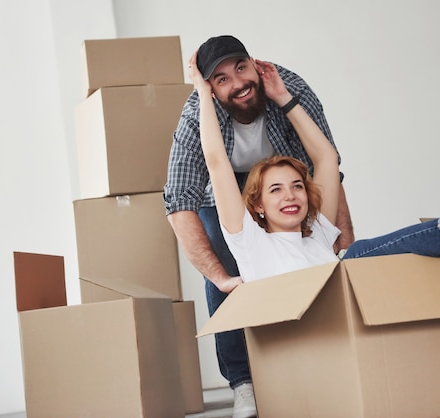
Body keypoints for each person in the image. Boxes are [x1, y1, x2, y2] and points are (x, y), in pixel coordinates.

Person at [189, 50, 440, 286]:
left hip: (348, 309)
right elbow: (217, 162)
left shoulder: (317, 234)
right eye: (276, 190)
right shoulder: (248, 242)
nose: (291, 196)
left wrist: (282, 97)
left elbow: (326, 159)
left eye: (297, 186)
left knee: (352, 256)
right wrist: (204, 94)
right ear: (256, 206)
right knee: (354, 256)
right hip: (306, 329)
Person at [164, 35, 353, 418]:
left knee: (345, 253)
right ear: (209, 88)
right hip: (225, 192)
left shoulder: (287, 89)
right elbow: (185, 197)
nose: (237, 82)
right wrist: (220, 278)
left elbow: (327, 164)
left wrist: (342, 240)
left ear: (253, 63)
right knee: (225, 260)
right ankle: (243, 381)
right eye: (220, 79)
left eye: (240, 68)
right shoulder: (196, 117)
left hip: (284, 176)